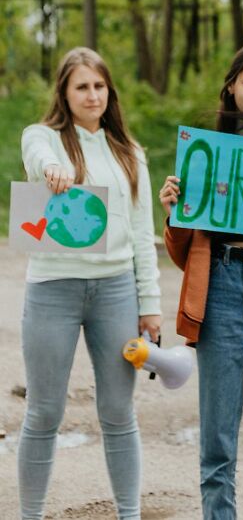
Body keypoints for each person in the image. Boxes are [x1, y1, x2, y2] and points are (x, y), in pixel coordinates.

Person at [18, 47, 161, 520]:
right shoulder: (44, 138)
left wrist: (150, 305)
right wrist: (50, 169)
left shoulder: (130, 153)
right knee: (43, 414)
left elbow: (143, 234)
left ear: (109, 91)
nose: (92, 94)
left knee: (119, 414)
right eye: (81, 86)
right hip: (52, 290)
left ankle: (129, 513)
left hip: (116, 291)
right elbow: (36, 155)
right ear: (64, 91)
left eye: (99, 85)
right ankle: (31, 514)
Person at [158, 39, 243, 520]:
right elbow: (180, 254)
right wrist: (175, 213)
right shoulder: (204, 155)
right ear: (231, 85)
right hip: (221, 289)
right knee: (217, 444)